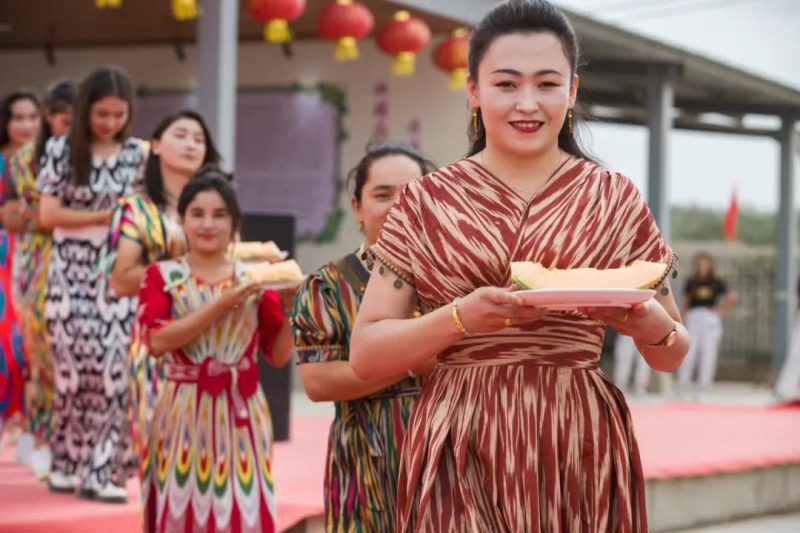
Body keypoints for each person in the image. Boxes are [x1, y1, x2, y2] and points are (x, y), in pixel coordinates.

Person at [348, 1, 690, 530]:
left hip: (576, 438)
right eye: (506, 84)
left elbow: (671, 353)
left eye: (547, 84)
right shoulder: (427, 200)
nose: (527, 103)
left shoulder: (615, 199)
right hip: (459, 437)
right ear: (473, 91)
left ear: (572, 92)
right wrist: (459, 319)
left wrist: (651, 326)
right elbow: (366, 355)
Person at [136, 169, 293, 533]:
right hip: (181, 410)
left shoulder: (257, 277)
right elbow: (157, 342)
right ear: (182, 220)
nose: (208, 224)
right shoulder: (162, 276)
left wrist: (294, 312)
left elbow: (278, 355)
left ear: (235, 223)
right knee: (179, 500)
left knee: (242, 501)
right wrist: (223, 304)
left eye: (220, 215)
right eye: (198, 213)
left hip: (242, 411)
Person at [292, 143, 436, 532]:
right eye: (382, 194)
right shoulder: (327, 286)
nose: (398, 205)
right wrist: (413, 356)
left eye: (411, 193)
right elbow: (319, 383)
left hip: (450, 460)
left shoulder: (455, 279)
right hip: (365, 464)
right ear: (357, 208)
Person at [37, 66, 146, 502]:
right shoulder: (62, 149)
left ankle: (103, 469)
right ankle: (66, 461)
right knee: (71, 373)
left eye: (119, 115)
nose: (109, 123)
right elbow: (48, 215)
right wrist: (105, 217)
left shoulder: (138, 154)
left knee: (112, 373)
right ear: (85, 110)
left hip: (118, 270)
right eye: (102, 114)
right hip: (67, 272)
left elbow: (141, 214)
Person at [107, 110, 221, 477]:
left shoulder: (216, 207)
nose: (191, 144)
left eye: (199, 139)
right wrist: (187, 268)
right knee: (164, 454)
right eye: (181, 135)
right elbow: (121, 279)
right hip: (156, 343)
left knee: (213, 452)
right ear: (155, 145)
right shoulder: (135, 209)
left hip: (214, 340)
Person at [3, 81, 76, 480]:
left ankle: (73, 440)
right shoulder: (24, 160)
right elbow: (17, 215)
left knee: (77, 357)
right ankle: (43, 437)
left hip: (83, 262)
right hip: (36, 263)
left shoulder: (92, 156)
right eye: (65, 118)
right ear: (52, 117)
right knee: (39, 356)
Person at [0, 90, 41, 461]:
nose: (26, 125)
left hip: (38, 258)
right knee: (7, 344)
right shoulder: (2, 163)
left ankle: (28, 426)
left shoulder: (50, 160)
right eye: (18, 117)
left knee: (32, 345)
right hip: (3, 258)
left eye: (33, 117)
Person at [677, 251, 736, 397]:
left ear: (710, 264)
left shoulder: (716, 281)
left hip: (709, 316)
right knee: (689, 352)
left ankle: (703, 386)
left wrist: (721, 312)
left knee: (709, 352)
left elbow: (731, 297)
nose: (702, 266)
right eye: (699, 263)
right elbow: (686, 302)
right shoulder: (692, 281)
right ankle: (682, 385)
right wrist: (682, 319)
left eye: (705, 263)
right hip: (693, 316)